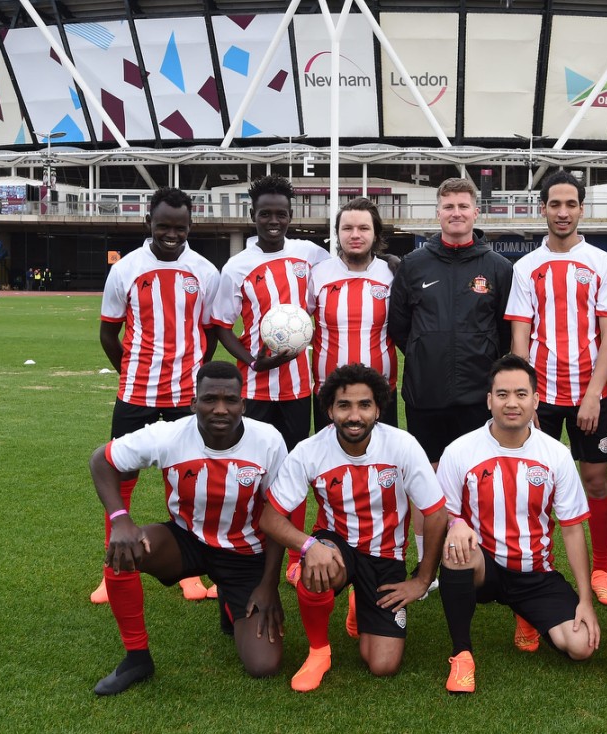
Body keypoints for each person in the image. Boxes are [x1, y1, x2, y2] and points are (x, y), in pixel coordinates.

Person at [89, 361, 289, 695]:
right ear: (194, 402)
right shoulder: (168, 434)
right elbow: (101, 459)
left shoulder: (268, 441)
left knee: (263, 666)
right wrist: (120, 518)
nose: (220, 409)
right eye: (210, 399)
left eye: (230, 400)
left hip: (245, 553)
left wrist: (269, 585)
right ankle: (136, 657)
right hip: (186, 540)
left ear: (244, 404)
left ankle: (231, 600)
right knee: (123, 551)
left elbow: (280, 516)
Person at [260, 364, 448, 692]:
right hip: (335, 548)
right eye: (344, 405)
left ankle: (359, 604)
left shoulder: (402, 445)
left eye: (364, 405)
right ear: (330, 410)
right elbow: (270, 518)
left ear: (378, 409)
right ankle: (319, 651)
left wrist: (422, 580)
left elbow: (435, 513)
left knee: (382, 665)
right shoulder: (310, 450)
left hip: (384, 555)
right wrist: (308, 546)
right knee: (317, 567)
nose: (354, 415)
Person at [437, 355, 600, 694]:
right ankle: (462, 653)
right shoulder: (460, 451)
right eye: (502, 394)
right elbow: (441, 514)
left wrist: (585, 599)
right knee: (456, 549)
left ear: (536, 400)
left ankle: (527, 614)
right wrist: (456, 523)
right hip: (484, 566)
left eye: (521, 394)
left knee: (581, 646)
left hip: (535, 573)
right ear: (489, 400)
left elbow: (571, 528)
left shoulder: (555, 454)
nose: (511, 403)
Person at [96, 186, 220, 607]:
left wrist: (191, 374)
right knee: (121, 480)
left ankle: (188, 568)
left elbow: (208, 335)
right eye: (163, 225)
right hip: (136, 393)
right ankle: (110, 565)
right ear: (147, 222)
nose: (172, 234)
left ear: (190, 226)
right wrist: (132, 373)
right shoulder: (126, 269)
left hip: (186, 395)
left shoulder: (205, 271)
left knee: (187, 482)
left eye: (180, 227)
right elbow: (108, 333)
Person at [505, 170, 607, 612]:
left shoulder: (602, 263)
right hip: (543, 396)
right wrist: (525, 396)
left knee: (595, 479)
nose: (562, 212)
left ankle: (600, 568)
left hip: (589, 393)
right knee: (538, 484)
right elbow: (521, 335)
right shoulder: (525, 267)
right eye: (555, 204)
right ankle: (540, 567)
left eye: (570, 204)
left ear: (581, 209)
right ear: (543, 209)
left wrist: (594, 394)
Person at [388, 177, 512, 575]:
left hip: (478, 397)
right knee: (429, 483)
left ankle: (476, 558)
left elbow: (506, 331)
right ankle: (430, 562)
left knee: (478, 481)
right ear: (437, 213)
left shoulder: (497, 267)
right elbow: (400, 328)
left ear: (476, 212)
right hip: (427, 395)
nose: (456, 213)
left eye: (463, 206)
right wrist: (428, 355)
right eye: (448, 206)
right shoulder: (413, 265)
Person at [212, 175, 330, 583]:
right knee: (251, 470)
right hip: (256, 389)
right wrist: (251, 360)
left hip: (300, 390)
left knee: (294, 472)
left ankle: (295, 552)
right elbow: (222, 325)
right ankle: (245, 545)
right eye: (265, 214)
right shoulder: (236, 267)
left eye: (281, 213)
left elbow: (342, 273)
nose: (273, 220)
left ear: (291, 215)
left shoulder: (310, 254)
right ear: (253, 216)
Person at [308, 198, 398, 432]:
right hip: (329, 393)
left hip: (381, 392)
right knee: (329, 464)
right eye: (347, 228)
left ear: (376, 234)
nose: (355, 234)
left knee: (381, 462)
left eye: (363, 228)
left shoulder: (393, 274)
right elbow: (299, 324)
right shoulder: (318, 274)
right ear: (338, 234)